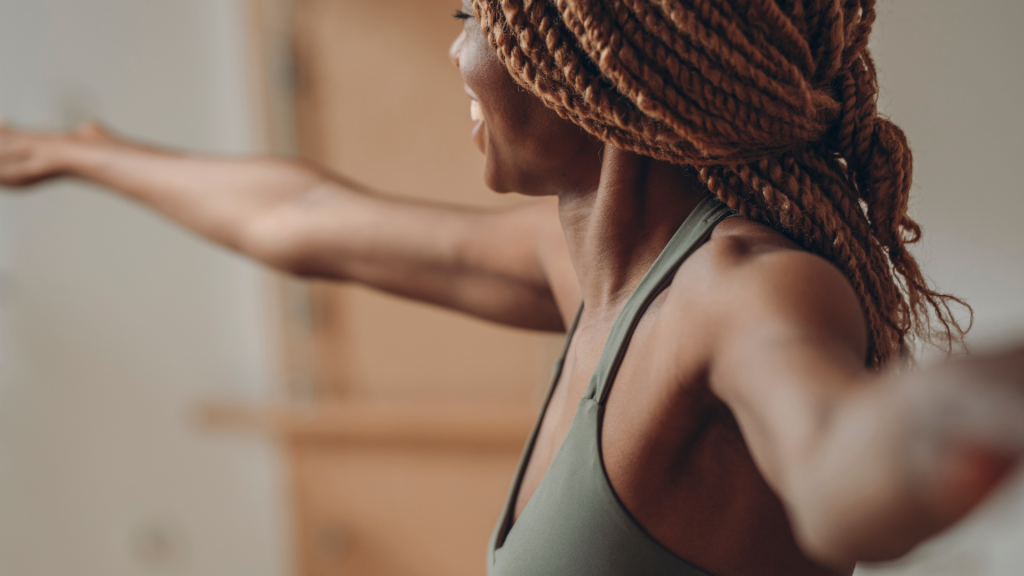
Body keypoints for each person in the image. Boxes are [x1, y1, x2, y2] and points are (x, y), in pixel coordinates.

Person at [1, 0, 1022, 574]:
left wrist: (961, 414)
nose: (457, 51)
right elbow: (300, 220)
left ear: (599, 62)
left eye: (474, 16)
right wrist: (80, 153)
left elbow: (836, 462)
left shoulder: (741, 288)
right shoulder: (585, 264)